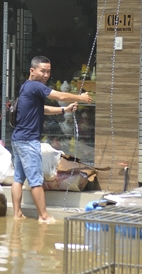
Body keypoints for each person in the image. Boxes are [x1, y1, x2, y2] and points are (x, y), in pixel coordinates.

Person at [11, 56, 92, 223]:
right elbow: (60, 96)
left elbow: (42, 109)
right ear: (32, 71)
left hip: (18, 139)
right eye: (42, 71)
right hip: (28, 141)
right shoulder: (35, 86)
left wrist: (64, 111)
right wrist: (81, 98)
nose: (46, 75)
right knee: (35, 180)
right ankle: (44, 216)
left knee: (18, 178)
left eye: (48, 71)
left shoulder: (26, 87)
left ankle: (17, 214)